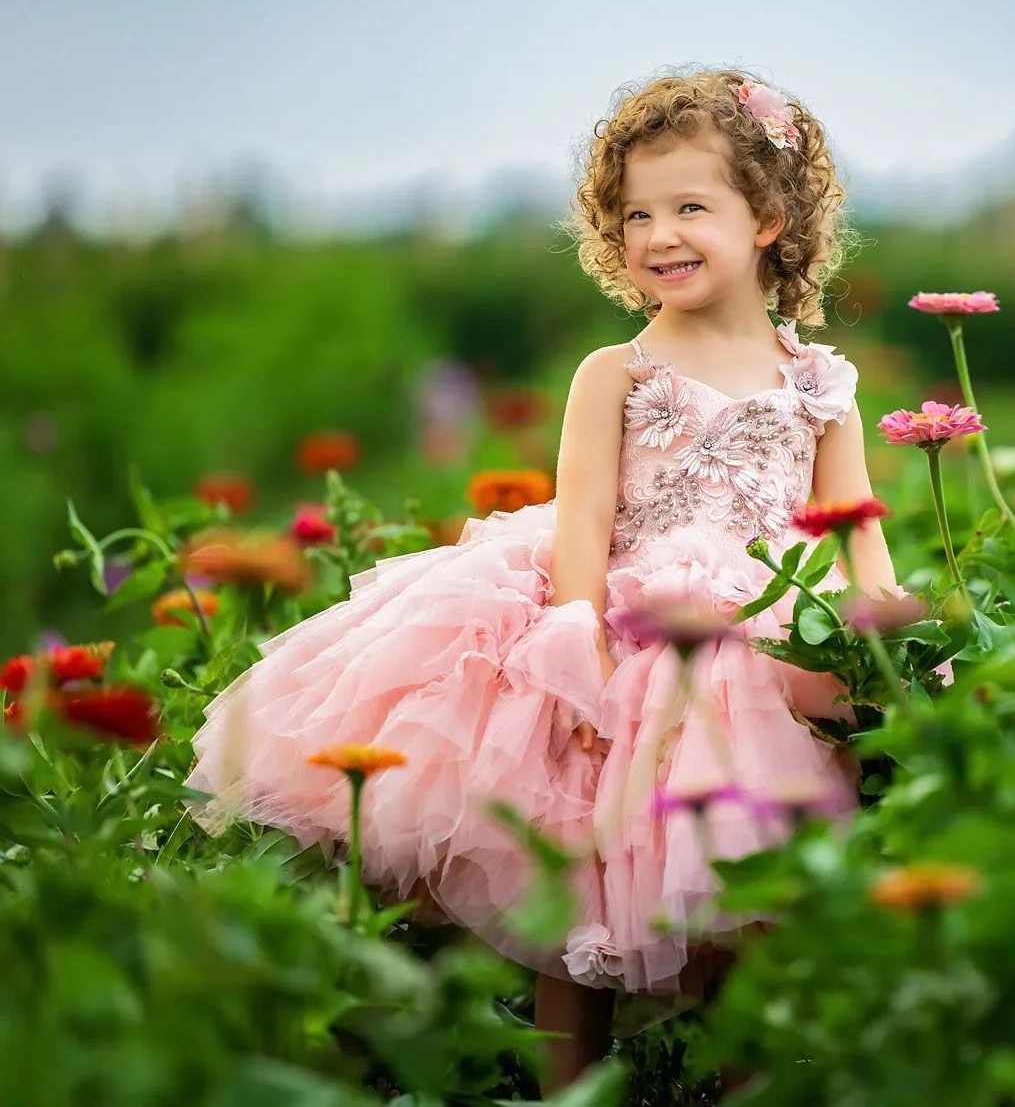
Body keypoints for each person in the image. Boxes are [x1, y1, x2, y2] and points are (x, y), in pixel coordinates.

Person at [184, 69, 902, 1090]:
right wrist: (580, 648)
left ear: (770, 221)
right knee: (579, 878)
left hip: (759, 642)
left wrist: (883, 623)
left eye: (691, 208)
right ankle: (571, 1086)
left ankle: (739, 1081)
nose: (659, 235)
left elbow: (854, 522)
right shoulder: (615, 371)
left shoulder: (818, 385)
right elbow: (587, 518)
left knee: (748, 888)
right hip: (622, 622)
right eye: (636, 214)